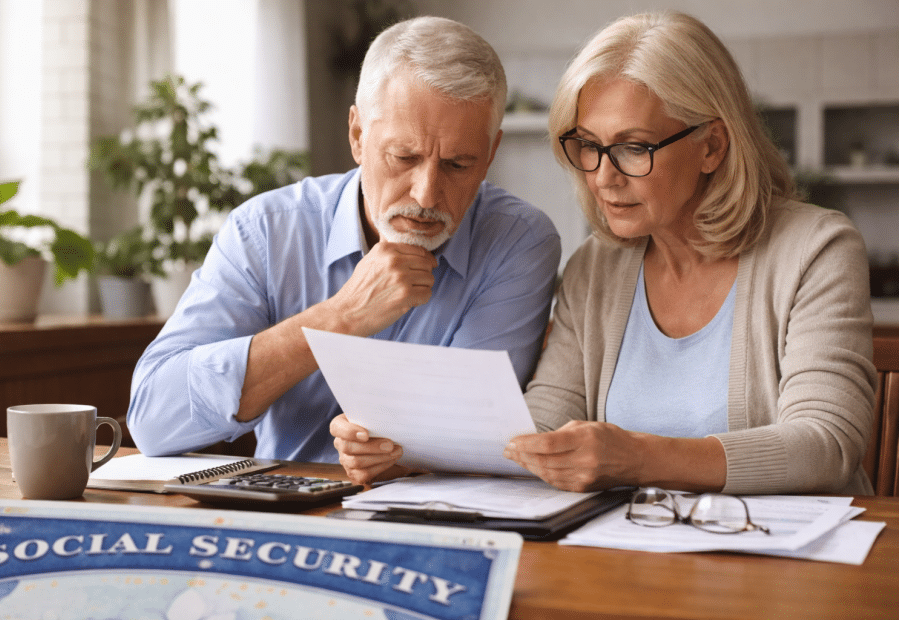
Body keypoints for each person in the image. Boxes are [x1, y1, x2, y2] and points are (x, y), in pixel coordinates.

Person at [334, 11, 877, 496]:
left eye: (633, 147)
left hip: (792, 572)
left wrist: (637, 458)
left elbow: (825, 445)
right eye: (588, 147)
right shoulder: (596, 267)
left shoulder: (815, 249)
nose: (603, 176)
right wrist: (409, 452)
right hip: (632, 557)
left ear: (712, 145)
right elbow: (542, 426)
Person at [127, 16, 561, 462]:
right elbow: (154, 422)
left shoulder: (518, 242)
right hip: (285, 513)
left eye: (458, 165)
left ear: (490, 155)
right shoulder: (265, 231)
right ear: (357, 136)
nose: (427, 194)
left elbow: (472, 440)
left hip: (433, 516)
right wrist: (339, 318)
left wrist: (397, 457)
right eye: (404, 156)